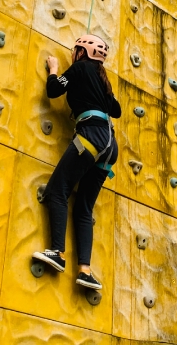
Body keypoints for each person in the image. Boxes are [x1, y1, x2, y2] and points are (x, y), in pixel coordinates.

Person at [32, 34, 121, 291]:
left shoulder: (79, 68)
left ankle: (57, 253)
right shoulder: (103, 81)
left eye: (76, 50)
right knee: (84, 208)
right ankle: (85, 271)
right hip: (109, 148)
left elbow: (54, 89)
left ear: (82, 52)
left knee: (57, 191)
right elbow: (116, 110)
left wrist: (54, 70)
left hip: (90, 138)